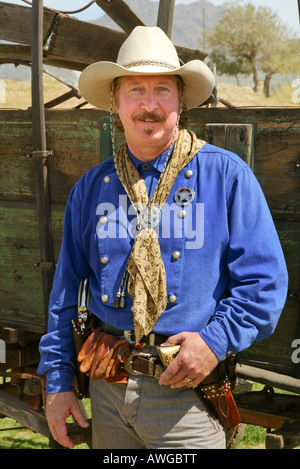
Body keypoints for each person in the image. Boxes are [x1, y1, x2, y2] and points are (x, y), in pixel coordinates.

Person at [38, 26, 288, 449]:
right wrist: (58, 383)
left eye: (162, 91)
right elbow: (67, 293)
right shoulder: (91, 188)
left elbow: (264, 285)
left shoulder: (225, 177)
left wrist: (213, 342)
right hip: (108, 391)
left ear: (180, 103)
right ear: (115, 103)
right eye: (135, 89)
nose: (149, 105)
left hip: (187, 400)